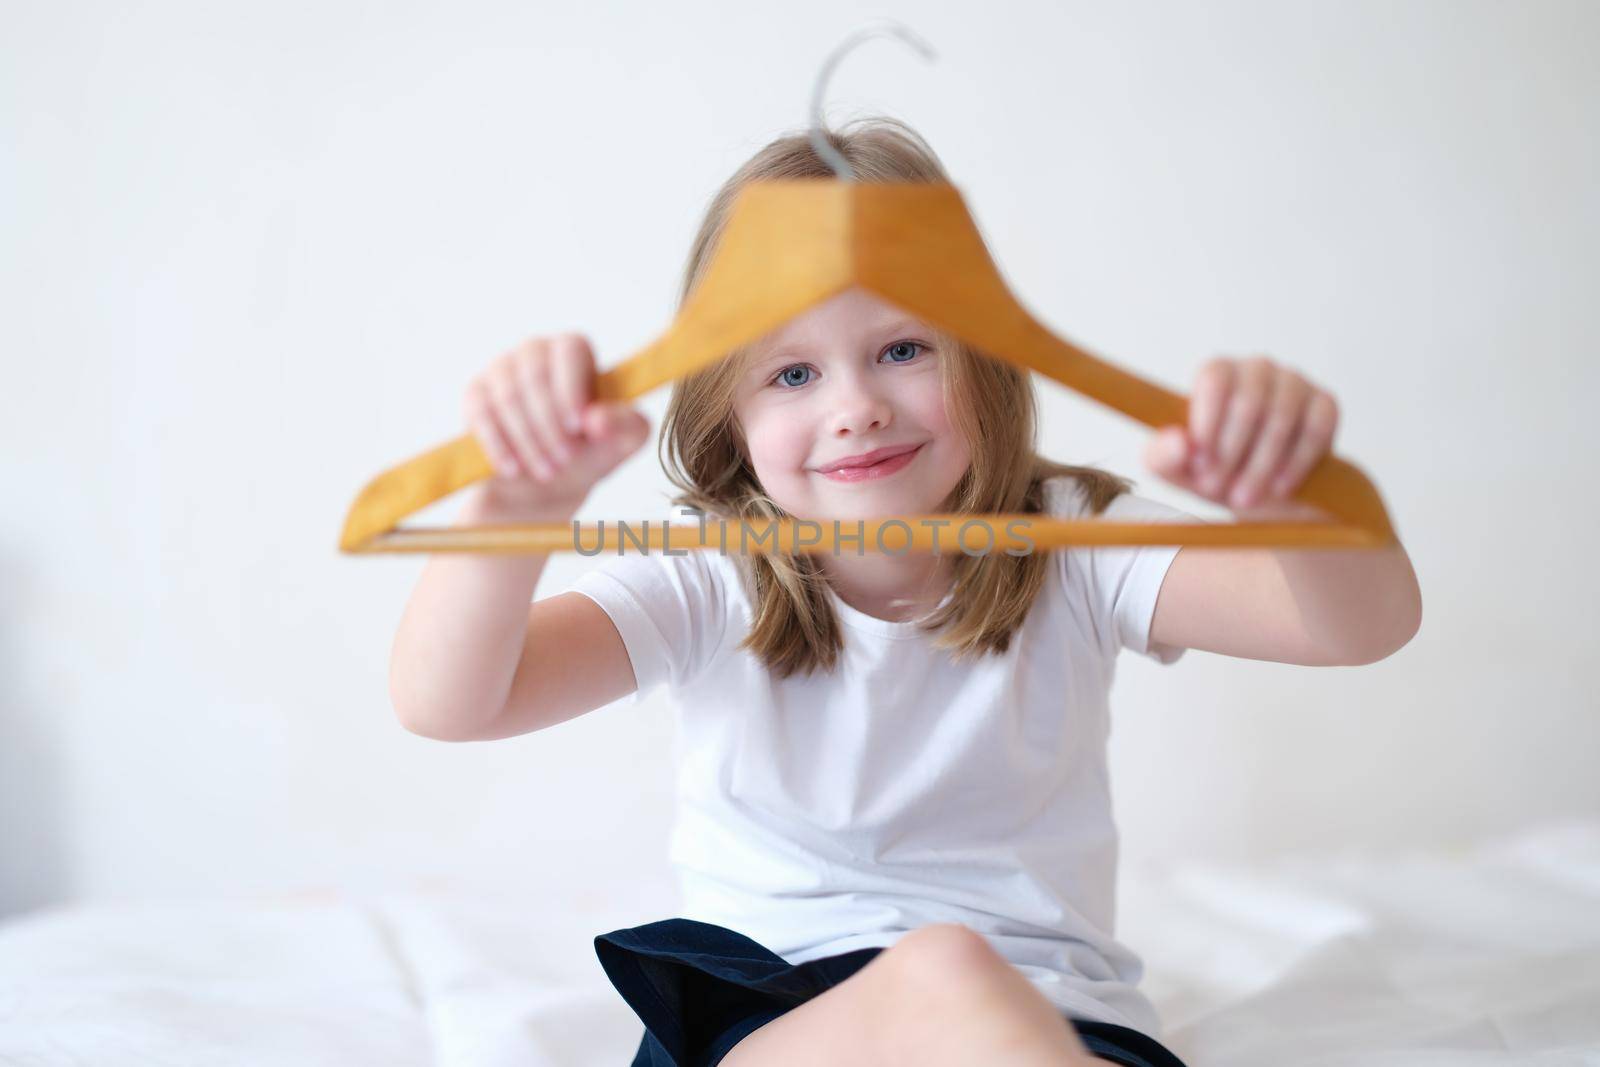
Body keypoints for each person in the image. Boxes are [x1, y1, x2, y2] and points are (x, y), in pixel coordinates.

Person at [388, 117, 1423, 1067]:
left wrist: (1307, 501)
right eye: (792, 374)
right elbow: (454, 700)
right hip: (774, 1015)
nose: (856, 408)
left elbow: (1357, 627)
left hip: (1055, 1020)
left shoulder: (1072, 537)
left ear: (983, 362)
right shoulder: (708, 565)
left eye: (901, 348)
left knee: (965, 976)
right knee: (944, 964)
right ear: (728, 413)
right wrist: (504, 510)